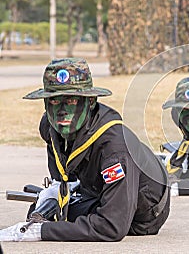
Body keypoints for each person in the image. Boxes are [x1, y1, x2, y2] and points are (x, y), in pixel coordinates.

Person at [0, 58, 170, 242]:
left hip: (143, 214)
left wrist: (41, 232)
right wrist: (55, 192)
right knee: (39, 212)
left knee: (51, 223)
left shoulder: (115, 149)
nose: (62, 111)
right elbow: (62, 173)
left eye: (71, 101)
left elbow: (112, 227)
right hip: (94, 190)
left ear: (90, 102)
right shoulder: (50, 127)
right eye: (54, 101)